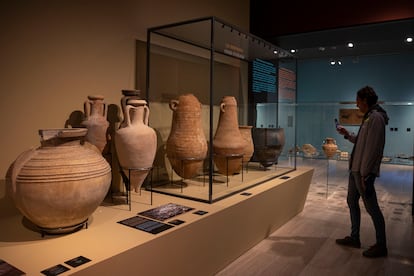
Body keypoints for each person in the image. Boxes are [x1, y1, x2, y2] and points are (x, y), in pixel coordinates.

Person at [335, 86, 389, 258]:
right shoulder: (368, 118)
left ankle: (381, 245)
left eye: (358, 100)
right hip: (355, 170)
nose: (357, 104)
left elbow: (373, 149)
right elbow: (362, 142)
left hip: (362, 173)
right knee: (352, 201)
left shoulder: (376, 118)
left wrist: (366, 174)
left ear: (365, 100)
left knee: (372, 208)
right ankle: (354, 237)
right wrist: (347, 134)